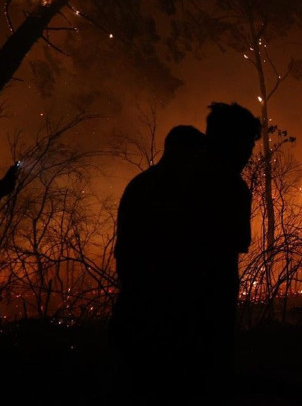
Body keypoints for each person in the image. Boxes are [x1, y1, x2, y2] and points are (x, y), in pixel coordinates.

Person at [109, 125, 208, 405]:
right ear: (183, 153)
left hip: (137, 305)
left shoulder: (140, 185)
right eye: (195, 156)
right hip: (160, 308)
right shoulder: (175, 191)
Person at [197, 102, 261, 402]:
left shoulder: (159, 179)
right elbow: (234, 245)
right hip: (206, 319)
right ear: (233, 142)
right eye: (247, 144)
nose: (249, 155)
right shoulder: (230, 187)